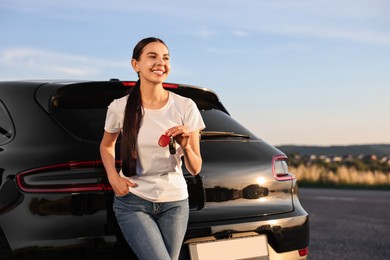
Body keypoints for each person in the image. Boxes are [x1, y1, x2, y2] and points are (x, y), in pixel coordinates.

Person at [100, 37, 205, 260]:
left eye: (165, 58)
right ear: (135, 65)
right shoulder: (120, 107)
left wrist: (186, 146)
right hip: (133, 202)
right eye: (152, 56)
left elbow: (195, 168)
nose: (160, 62)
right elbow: (106, 144)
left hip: (175, 203)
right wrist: (113, 177)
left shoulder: (186, 106)